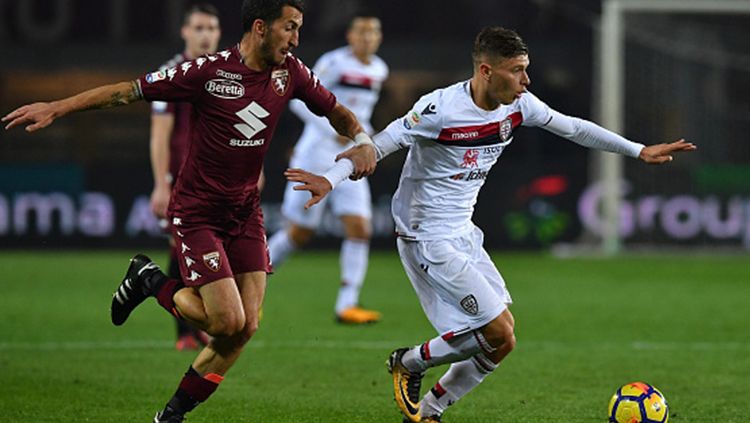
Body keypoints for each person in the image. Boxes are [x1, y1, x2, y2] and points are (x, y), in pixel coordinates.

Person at [284, 26, 696, 422]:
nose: (526, 80)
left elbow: (573, 127)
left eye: (526, 68)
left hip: (463, 233)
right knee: (495, 327)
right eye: (517, 70)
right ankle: (409, 362)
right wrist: (331, 177)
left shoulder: (519, 106)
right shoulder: (438, 109)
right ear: (486, 71)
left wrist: (638, 149)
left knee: (504, 341)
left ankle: (428, 411)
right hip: (426, 234)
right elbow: (377, 145)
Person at [2, 0, 377, 421]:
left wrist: (363, 139)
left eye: (298, 29)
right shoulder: (207, 72)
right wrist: (58, 107)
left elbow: (336, 111)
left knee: (246, 327)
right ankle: (149, 280)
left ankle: (171, 415)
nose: (295, 38)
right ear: (260, 27)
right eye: (289, 28)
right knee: (224, 322)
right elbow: (129, 90)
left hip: (245, 213)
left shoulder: (290, 72)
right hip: (197, 213)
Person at [267, 14, 388, 324]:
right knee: (299, 233)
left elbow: (363, 112)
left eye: (373, 32)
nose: (367, 38)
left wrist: (366, 137)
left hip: (350, 157)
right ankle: (250, 286)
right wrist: (329, 130)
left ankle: (347, 304)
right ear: (350, 36)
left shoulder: (379, 69)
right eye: (361, 32)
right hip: (315, 154)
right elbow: (297, 101)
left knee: (361, 228)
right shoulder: (332, 63)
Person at [150, 3, 221, 351]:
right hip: (183, 180)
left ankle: (197, 324)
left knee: (208, 253)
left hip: (220, 180)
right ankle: (185, 333)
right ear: (185, 32)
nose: (205, 34)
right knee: (181, 251)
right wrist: (161, 183)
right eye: (198, 28)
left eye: (211, 27)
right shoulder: (171, 74)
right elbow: (160, 134)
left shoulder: (228, 73)